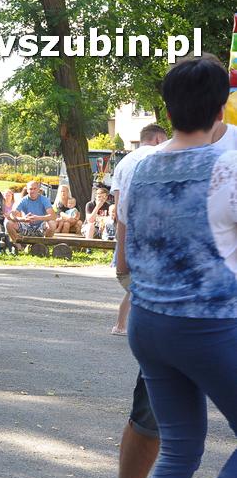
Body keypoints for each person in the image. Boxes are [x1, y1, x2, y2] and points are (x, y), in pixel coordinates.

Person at [117, 57, 237, 478]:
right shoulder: (228, 168)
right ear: (220, 109)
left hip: (148, 324)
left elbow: (123, 258)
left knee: (180, 445)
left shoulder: (137, 168)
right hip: (210, 323)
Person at [108, 124, 168, 339]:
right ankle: (142, 329)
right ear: (159, 139)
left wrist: (120, 233)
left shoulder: (123, 162)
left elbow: (118, 203)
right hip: (152, 229)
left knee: (132, 282)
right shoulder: (160, 155)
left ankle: (121, 324)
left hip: (127, 230)